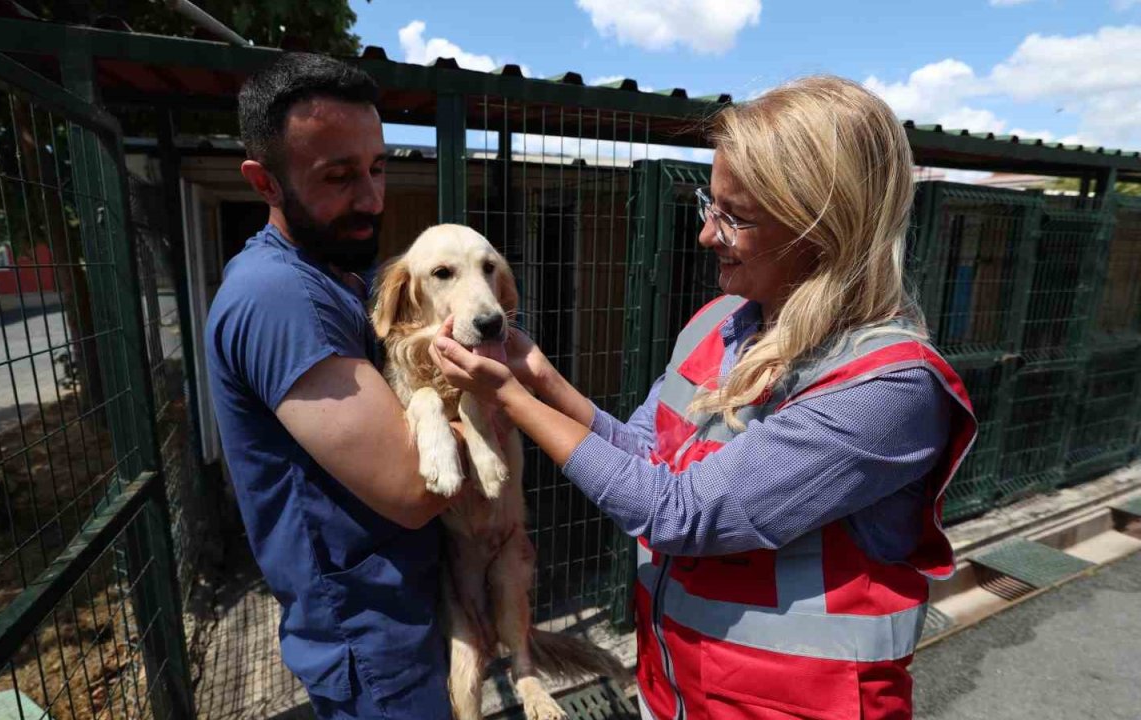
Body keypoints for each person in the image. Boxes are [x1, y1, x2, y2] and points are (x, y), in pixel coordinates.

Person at [430, 75, 978, 720]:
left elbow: (681, 514)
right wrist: (540, 379)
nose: (706, 234)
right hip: (679, 689)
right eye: (707, 203)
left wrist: (514, 403)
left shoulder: (886, 390)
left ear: (820, 229)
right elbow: (644, 454)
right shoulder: (722, 323)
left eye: (734, 217)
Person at [204, 53, 456, 720]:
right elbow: (414, 485)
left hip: (405, 613)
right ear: (264, 182)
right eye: (340, 177)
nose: (373, 199)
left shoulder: (337, 271)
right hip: (372, 639)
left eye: (377, 167)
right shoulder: (280, 297)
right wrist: (502, 408)